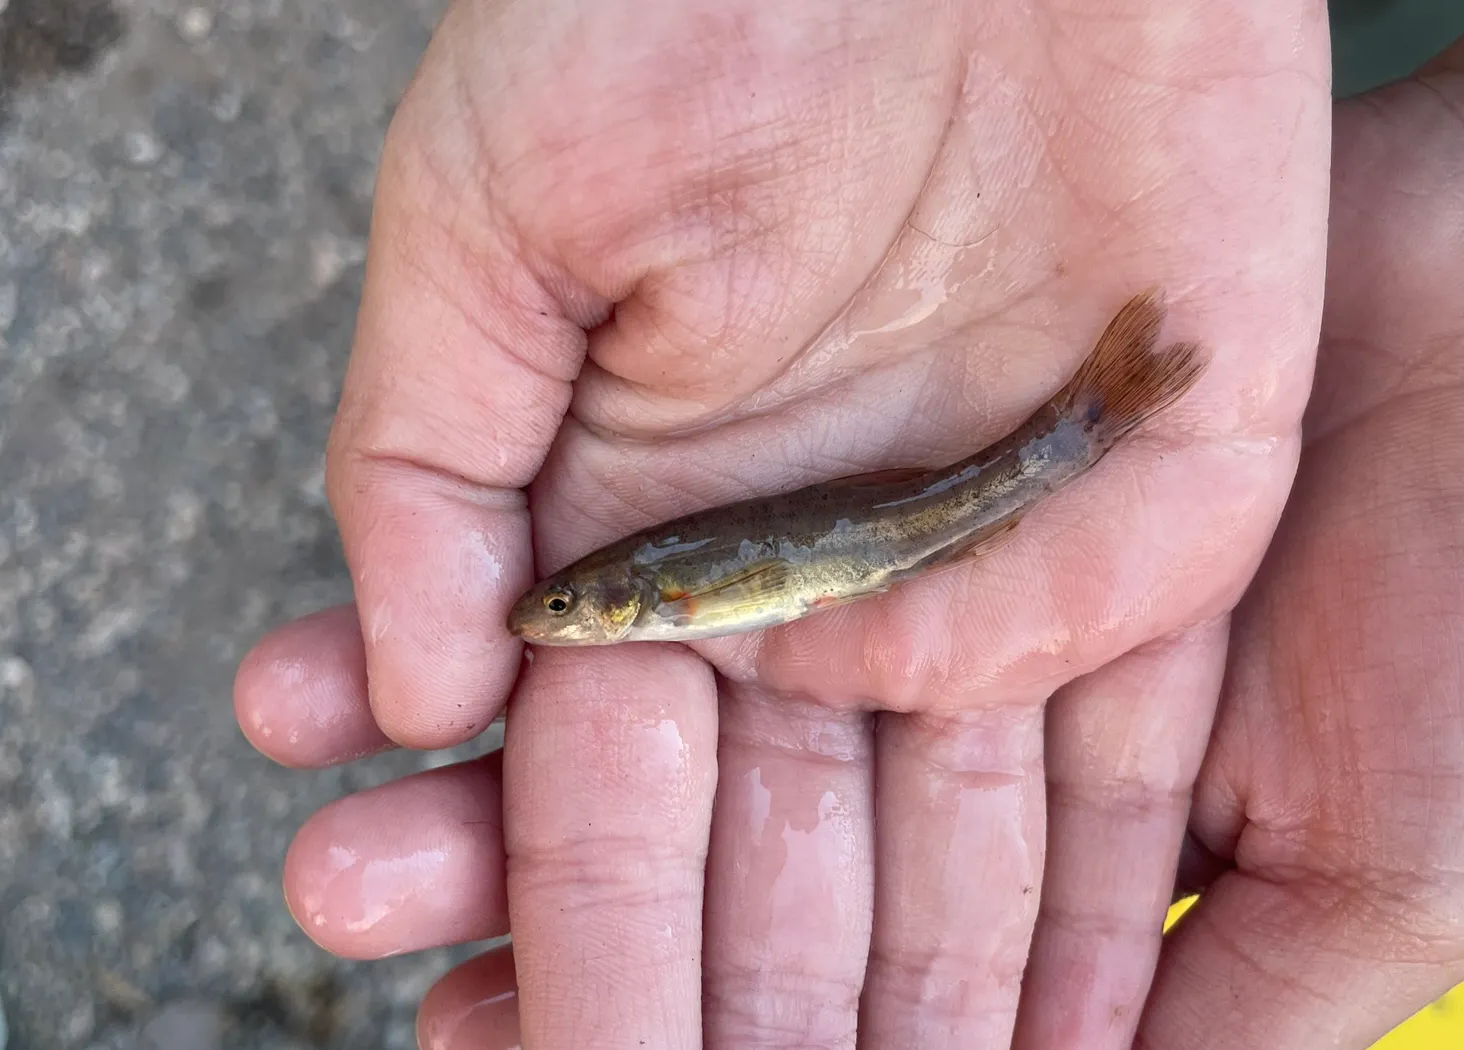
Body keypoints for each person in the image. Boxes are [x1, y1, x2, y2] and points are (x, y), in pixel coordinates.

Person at [233, 2, 1464, 1046]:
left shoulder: (660, 594)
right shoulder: (647, 593)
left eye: (564, 606)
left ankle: (1089, 420)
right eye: (558, 608)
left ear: (622, 603)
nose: (551, 619)